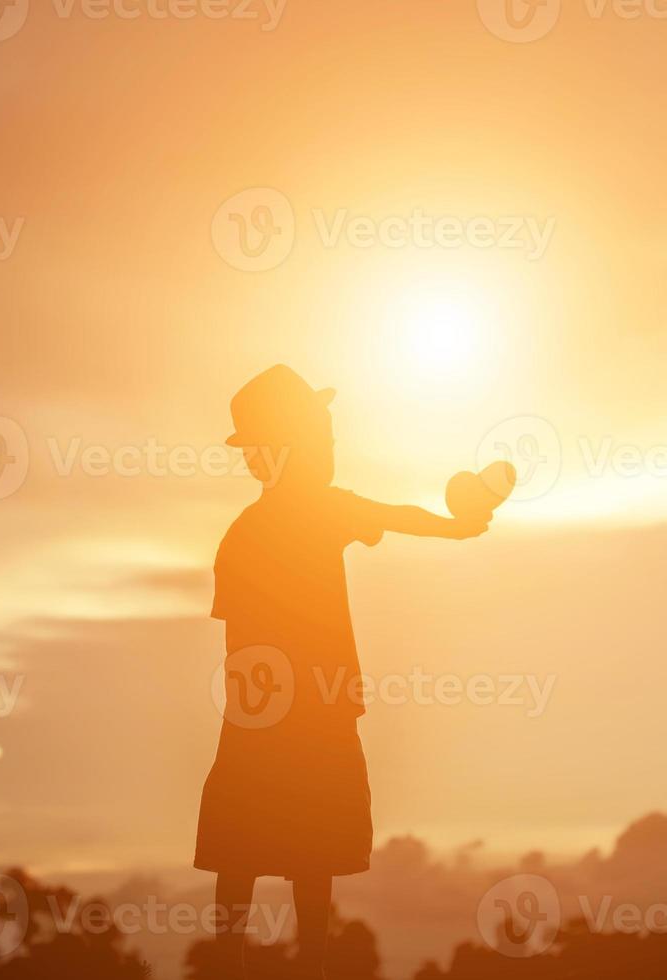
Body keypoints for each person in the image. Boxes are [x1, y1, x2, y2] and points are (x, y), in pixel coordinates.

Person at [196, 365, 489, 979]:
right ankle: (304, 968)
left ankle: (237, 965)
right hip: (307, 715)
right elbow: (400, 514)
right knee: (308, 856)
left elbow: (237, 648)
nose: (330, 447)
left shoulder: (246, 533)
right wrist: (457, 525)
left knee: (249, 852)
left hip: (266, 714)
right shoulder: (311, 514)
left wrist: (251, 718)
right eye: (320, 437)